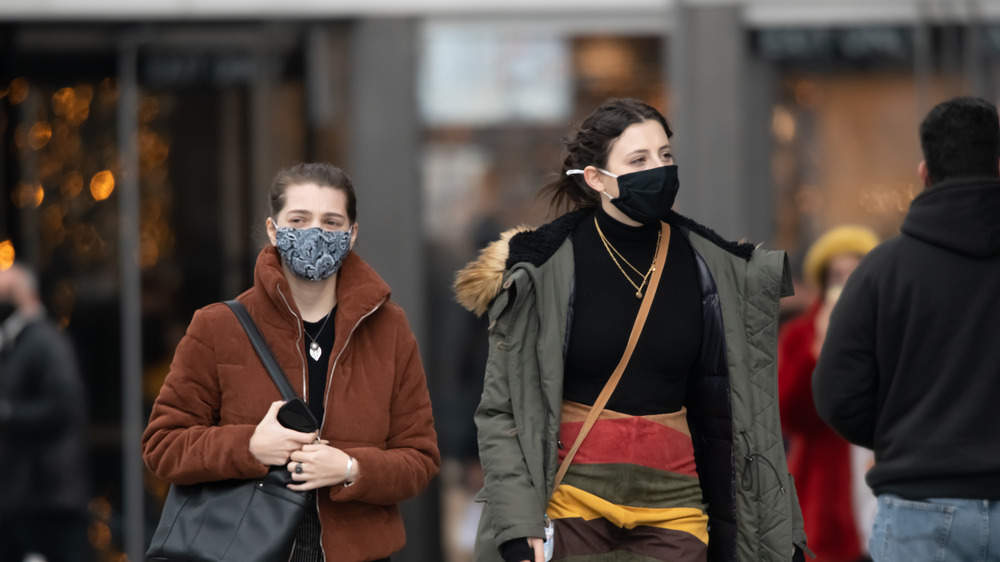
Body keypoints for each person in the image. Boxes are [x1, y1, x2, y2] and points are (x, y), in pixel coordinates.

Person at [454, 98, 808, 562]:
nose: (658, 169)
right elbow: (502, 412)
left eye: (665, 155)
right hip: (571, 504)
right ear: (597, 179)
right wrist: (519, 524)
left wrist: (778, 531)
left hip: (676, 508)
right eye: (638, 160)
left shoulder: (713, 267)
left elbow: (749, 419)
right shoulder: (543, 268)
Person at [142, 162, 440, 561]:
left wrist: (351, 468)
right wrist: (250, 446)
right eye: (298, 220)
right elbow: (163, 445)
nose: (314, 233)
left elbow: (419, 458)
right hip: (247, 549)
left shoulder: (389, 329)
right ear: (273, 229)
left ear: (351, 235)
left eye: (331, 222)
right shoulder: (217, 327)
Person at [813, 96, 1000, 561]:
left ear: (924, 173)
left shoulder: (881, 272)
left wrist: (906, 433)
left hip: (918, 507)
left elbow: (837, 395)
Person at [777, 225, 879, 562]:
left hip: (883, 476)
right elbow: (790, 414)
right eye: (838, 275)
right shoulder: (802, 334)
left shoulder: (890, 323)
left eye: (855, 273)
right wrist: (817, 352)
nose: (847, 284)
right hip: (829, 491)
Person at [0, 262, 92, 562]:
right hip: (24, 500)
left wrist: (8, 413)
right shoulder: (16, 343)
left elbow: (66, 406)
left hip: (47, 503)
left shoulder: (44, 342)